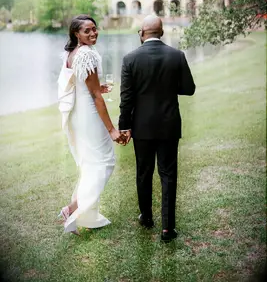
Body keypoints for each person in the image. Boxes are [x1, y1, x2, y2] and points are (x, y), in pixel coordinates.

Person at [119, 15, 195, 242]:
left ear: (142, 33)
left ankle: (147, 217)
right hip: (169, 124)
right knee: (168, 174)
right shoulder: (177, 55)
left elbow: (126, 98)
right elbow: (189, 88)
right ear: (161, 33)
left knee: (144, 173)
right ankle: (167, 228)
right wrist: (167, 88)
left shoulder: (130, 59)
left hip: (141, 126)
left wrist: (125, 127)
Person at [57, 14, 125, 235]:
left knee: (90, 164)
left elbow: (78, 84)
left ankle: (78, 211)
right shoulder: (86, 54)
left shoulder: (71, 53)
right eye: (87, 31)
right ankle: (73, 210)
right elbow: (96, 97)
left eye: (94, 29)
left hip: (78, 114)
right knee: (103, 162)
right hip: (89, 115)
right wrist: (112, 129)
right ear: (76, 33)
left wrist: (97, 87)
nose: (93, 33)